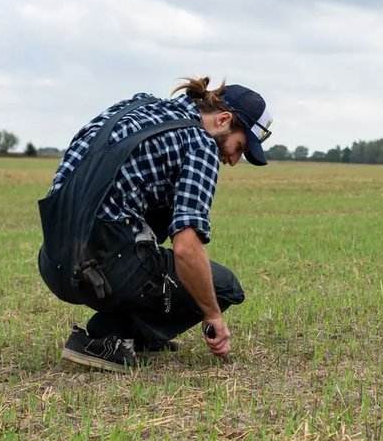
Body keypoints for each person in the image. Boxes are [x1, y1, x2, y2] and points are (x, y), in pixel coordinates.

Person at [37, 77, 272, 371]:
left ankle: (136, 333)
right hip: (104, 268)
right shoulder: (200, 144)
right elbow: (186, 249)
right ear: (223, 120)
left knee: (159, 208)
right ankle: (109, 338)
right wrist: (212, 314)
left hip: (53, 260)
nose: (234, 160)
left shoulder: (138, 104)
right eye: (240, 147)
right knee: (224, 286)